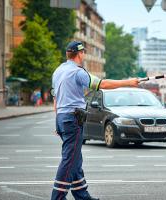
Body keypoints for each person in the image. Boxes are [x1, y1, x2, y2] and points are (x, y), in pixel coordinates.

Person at [51, 41, 139, 200]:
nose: (84, 55)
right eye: (83, 52)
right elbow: (102, 84)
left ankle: (82, 196)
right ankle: (57, 197)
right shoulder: (78, 72)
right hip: (73, 118)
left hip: (62, 118)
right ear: (79, 54)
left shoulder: (58, 71)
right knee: (70, 159)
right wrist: (129, 82)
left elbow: (56, 99)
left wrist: (58, 121)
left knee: (75, 158)